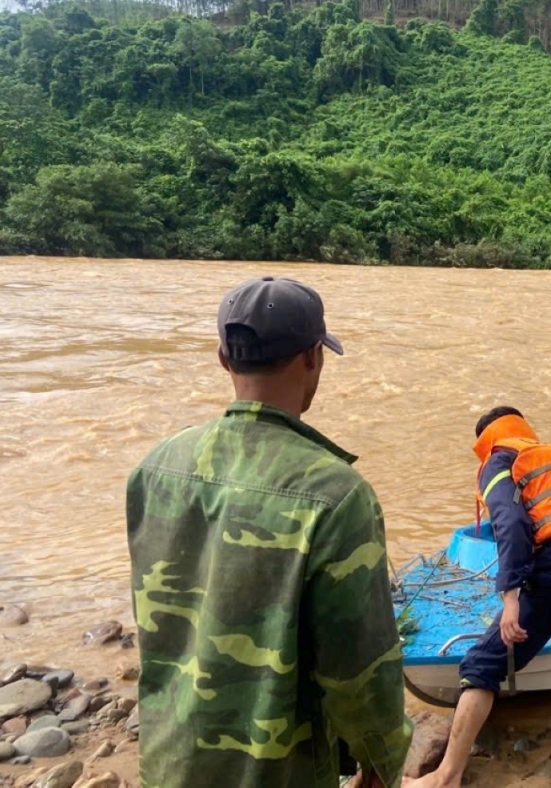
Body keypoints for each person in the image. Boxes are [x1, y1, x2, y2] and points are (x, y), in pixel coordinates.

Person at [126, 276, 411, 788]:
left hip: (169, 758)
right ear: (312, 358)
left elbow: (157, 618)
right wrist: (381, 759)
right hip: (276, 770)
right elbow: (359, 667)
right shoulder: (335, 494)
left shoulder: (156, 467)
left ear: (223, 359)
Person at [406, 408, 551, 787]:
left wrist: (510, 598)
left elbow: (511, 523)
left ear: (485, 440)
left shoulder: (499, 461)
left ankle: (446, 776)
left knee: (482, 665)